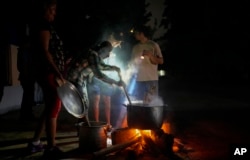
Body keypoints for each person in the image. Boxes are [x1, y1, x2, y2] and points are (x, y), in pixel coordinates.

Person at [28, 0, 67, 159]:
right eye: (52, 10)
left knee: (50, 107)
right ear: (44, 10)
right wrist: (57, 71)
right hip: (48, 72)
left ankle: (36, 142)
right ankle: (51, 148)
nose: (54, 13)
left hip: (50, 71)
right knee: (55, 106)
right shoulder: (42, 25)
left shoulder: (46, 25)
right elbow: (45, 51)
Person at [67, 41, 122, 131]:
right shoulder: (92, 54)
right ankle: (88, 130)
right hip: (75, 79)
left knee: (84, 106)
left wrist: (115, 68)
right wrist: (115, 82)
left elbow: (102, 66)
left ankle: (82, 130)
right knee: (83, 106)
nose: (108, 55)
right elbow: (98, 74)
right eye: (108, 52)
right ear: (103, 50)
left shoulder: (95, 55)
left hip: (80, 80)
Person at [129, 25, 164, 104]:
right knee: (140, 103)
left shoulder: (153, 45)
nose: (135, 35)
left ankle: (152, 116)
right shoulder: (135, 48)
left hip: (151, 79)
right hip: (139, 80)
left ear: (141, 34)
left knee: (152, 103)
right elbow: (131, 63)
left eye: (136, 33)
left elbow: (161, 61)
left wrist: (150, 55)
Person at [17, 36, 37, 120]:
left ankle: (26, 113)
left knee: (28, 95)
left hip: (27, 76)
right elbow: (23, 65)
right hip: (27, 77)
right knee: (28, 95)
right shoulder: (24, 52)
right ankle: (26, 114)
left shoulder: (24, 52)